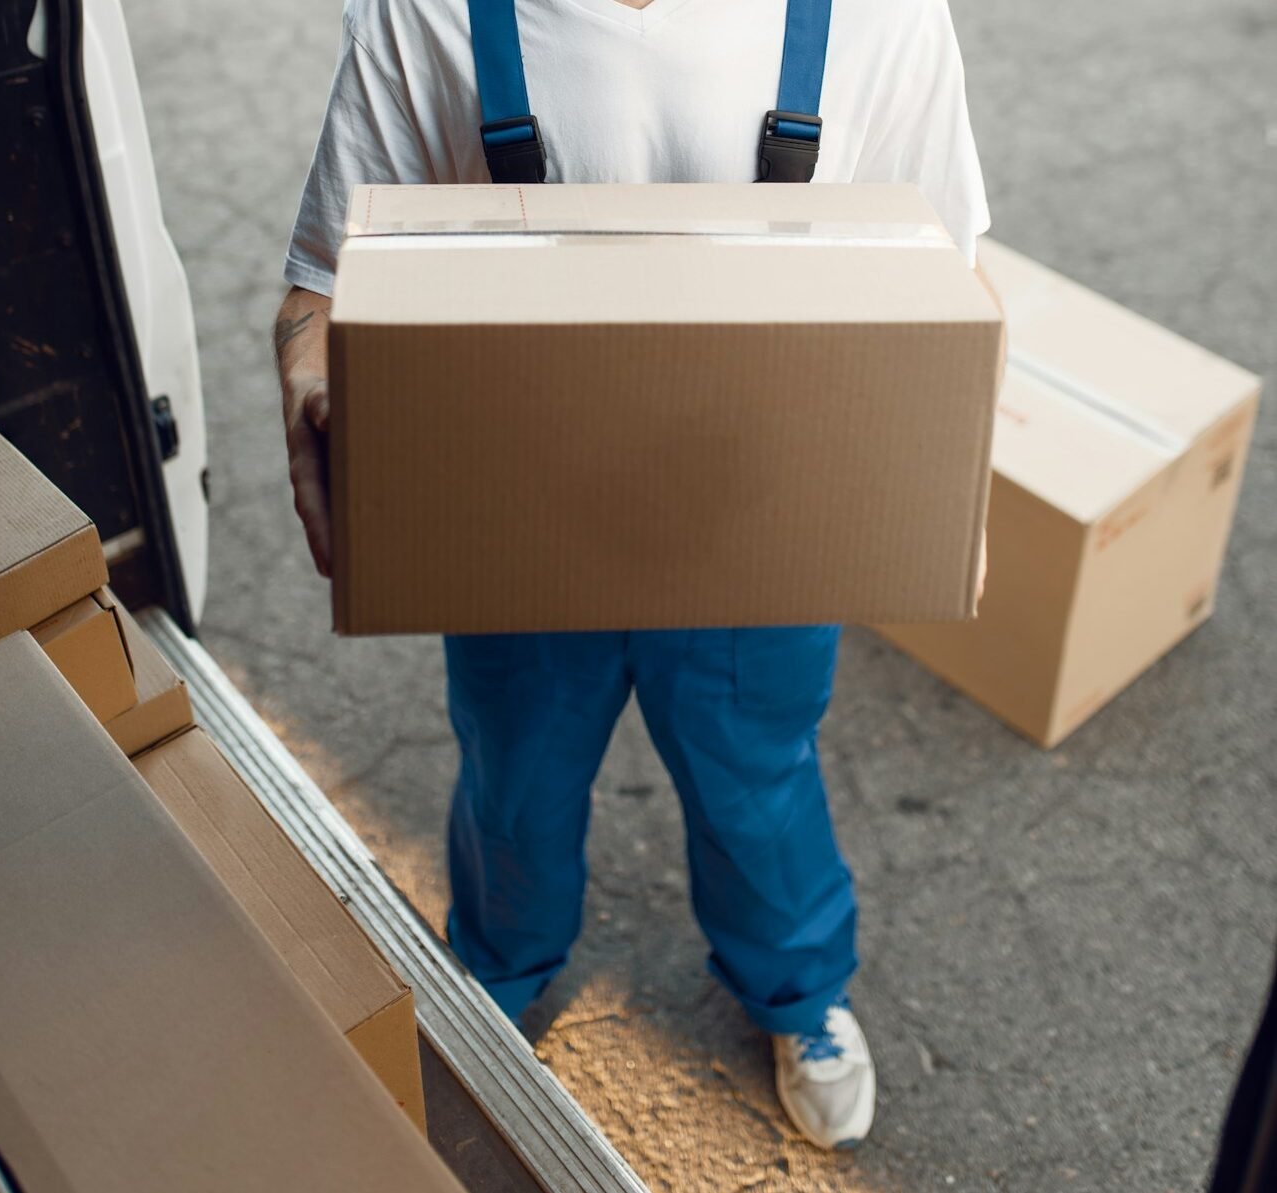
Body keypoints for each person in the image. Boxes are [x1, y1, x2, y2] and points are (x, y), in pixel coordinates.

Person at [276, 0, 991, 1152]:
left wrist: (948, 476)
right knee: (515, 772)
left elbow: (946, 277)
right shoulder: (427, 14)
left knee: (756, 778)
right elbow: (325, 277)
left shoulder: (878, 14)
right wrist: (311, 385)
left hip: (762, 518)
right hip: (518, 511)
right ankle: (496, 973)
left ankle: (799, 993)